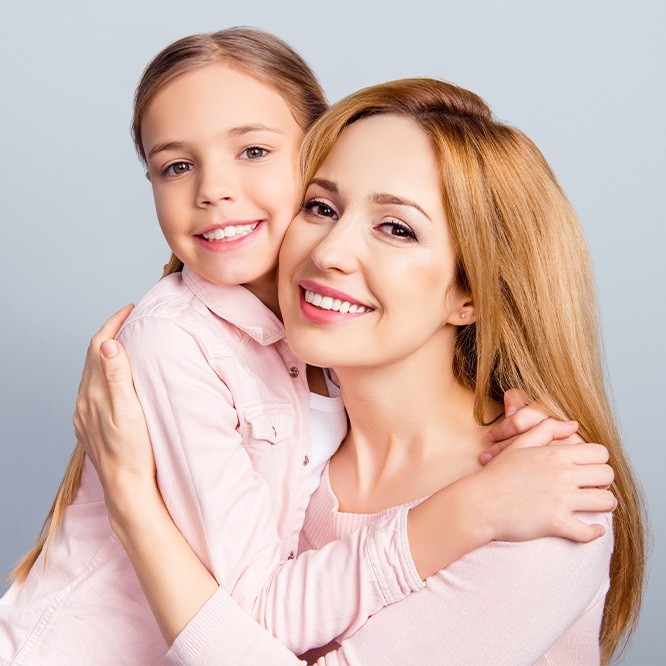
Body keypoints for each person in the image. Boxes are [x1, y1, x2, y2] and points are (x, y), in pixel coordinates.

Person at [0, 29, 621, 665]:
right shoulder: (295, 437)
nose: (328, 253)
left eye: (396, 228)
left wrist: (135, 503)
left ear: (471, 292)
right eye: (322, 208)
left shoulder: (543, 505)